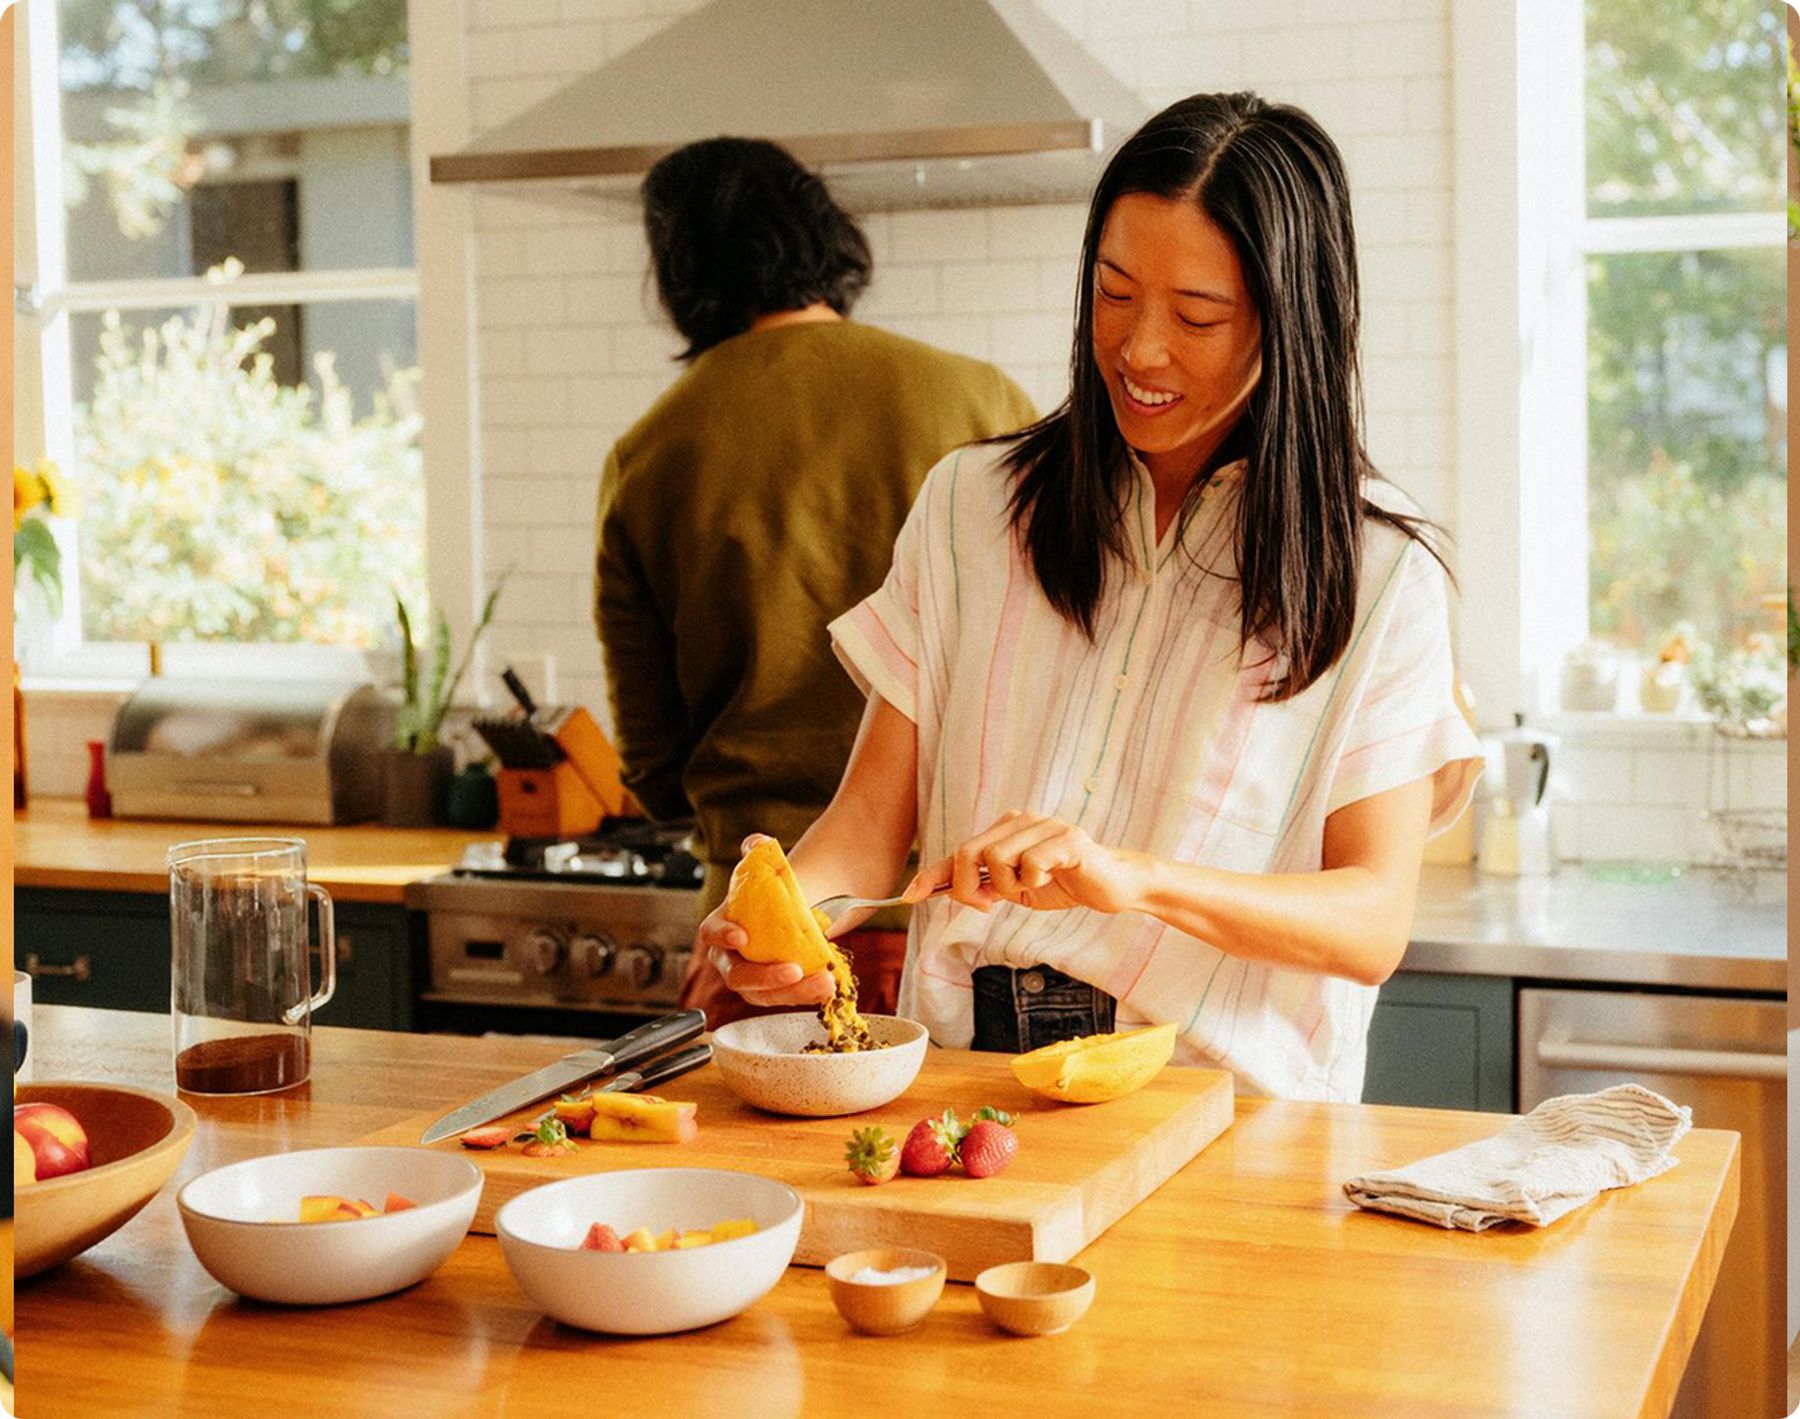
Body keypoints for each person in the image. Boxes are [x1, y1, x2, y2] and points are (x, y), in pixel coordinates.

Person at [696, 92, 1485, 1103]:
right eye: (1114, 295)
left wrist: (1137, 879)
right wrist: (783, 915)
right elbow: (864, 826)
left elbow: (1373, 922)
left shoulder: (1380, 574)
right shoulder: (970, 509)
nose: (1140, 350)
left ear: (1292, 321)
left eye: (1197, 315)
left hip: (1223, 1115)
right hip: (970, 1090)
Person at [595, 136, 1037, 1028]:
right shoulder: (981, 400)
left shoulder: (649, 454)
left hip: (760, 930)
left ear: (679, 272)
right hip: (963, 910)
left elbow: (649, 762)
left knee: (760, 1166)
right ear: (824, 236)